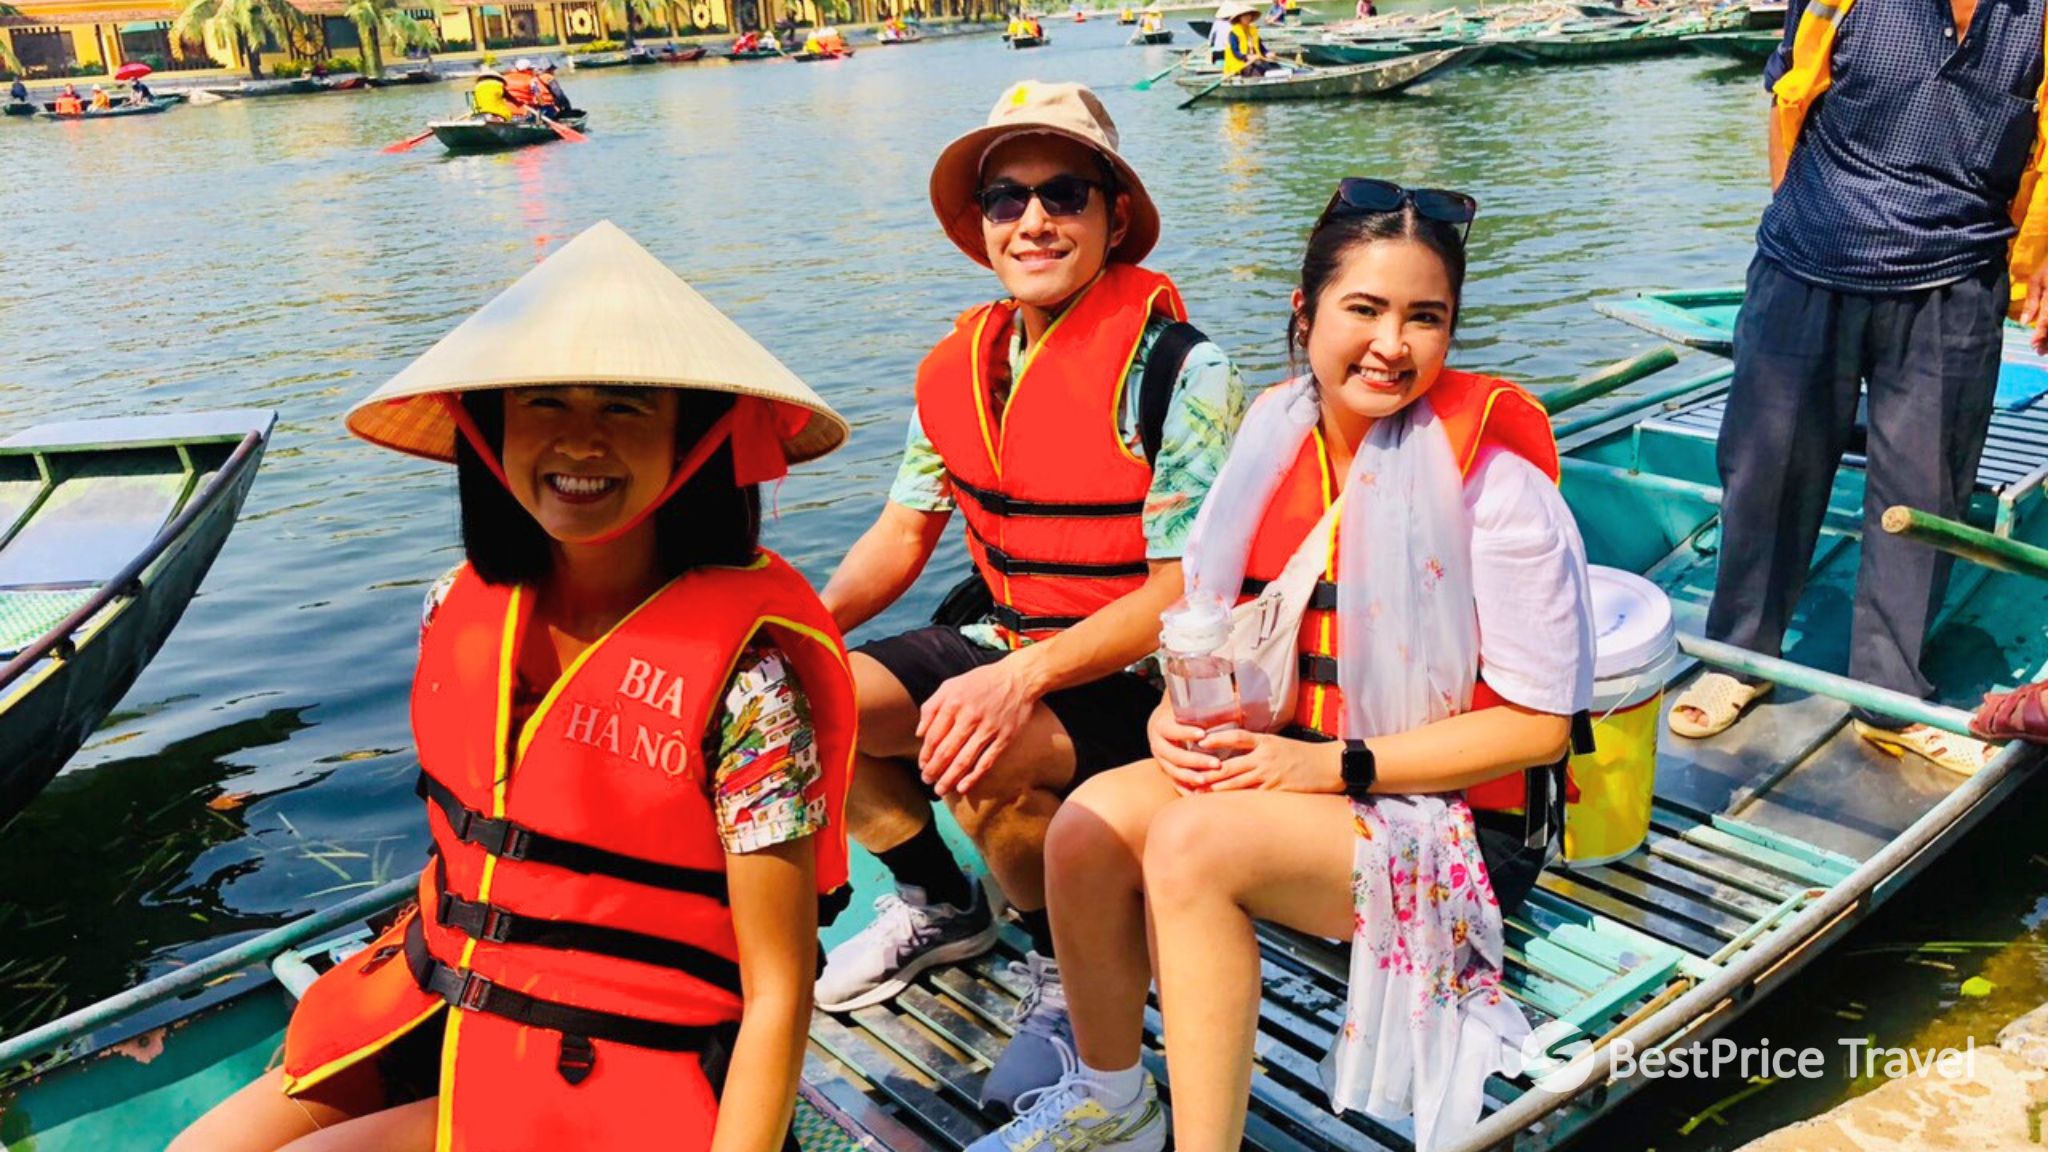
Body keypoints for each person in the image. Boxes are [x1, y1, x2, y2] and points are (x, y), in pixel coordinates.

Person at [167, 220, 858, 1152]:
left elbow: (779, 993)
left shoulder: (751, 686)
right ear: (491, 432)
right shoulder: (454, 605)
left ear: (693, 440)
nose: (580, 441)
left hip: (626, 1059)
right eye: (542, 403)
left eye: (624, 408)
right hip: (444, 997)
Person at [970, 179, 1595, 1152]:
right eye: (1363, 310)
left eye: (1423, 317)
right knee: (1084, 830)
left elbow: (1538, 729)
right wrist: (1168, 721)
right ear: (1304, 317)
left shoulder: (1497, 491)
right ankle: (1113, 1101)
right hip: (1301, 772)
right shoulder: (1267, 446)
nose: (1391, 343)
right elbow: (1202, 627)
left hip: (1453, 822)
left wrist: (1328, 766)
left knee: (1187, 847)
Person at [813, 80, 1246, 1113]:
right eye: (1006, 199)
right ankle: (940, 900)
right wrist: (792, 634)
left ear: (1113, 216)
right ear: (981, 226)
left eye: (1063, 194)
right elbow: (903, 531)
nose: (1033, 220)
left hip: (1141, 677)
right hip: (1007, 636)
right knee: (799, 701)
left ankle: (1066, 971)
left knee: (977, 755)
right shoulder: (958, 366)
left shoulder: (1180, 372)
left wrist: (1020, 681)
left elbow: (1182, 591)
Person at [1662, 0, 2046, 775]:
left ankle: (1890, 697)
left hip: (1955, 282)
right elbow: (1787, 104)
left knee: (1925, 496)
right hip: (1808, 264)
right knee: (1767, 476)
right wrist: (1801, 227)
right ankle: (1740, 661)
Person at [1218, 0, 1280, 75]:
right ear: (1239, 18)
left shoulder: (1253, 30)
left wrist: (1267, 53)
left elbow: (1260, 47)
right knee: (1257, 73)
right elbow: (1235, 52)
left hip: (1256, 60)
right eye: (1244, 16)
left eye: (1249, 15)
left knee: (1276, 68)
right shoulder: (1233, 33)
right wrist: (1247, 57)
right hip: (1240, 64)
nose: (1247, 17)